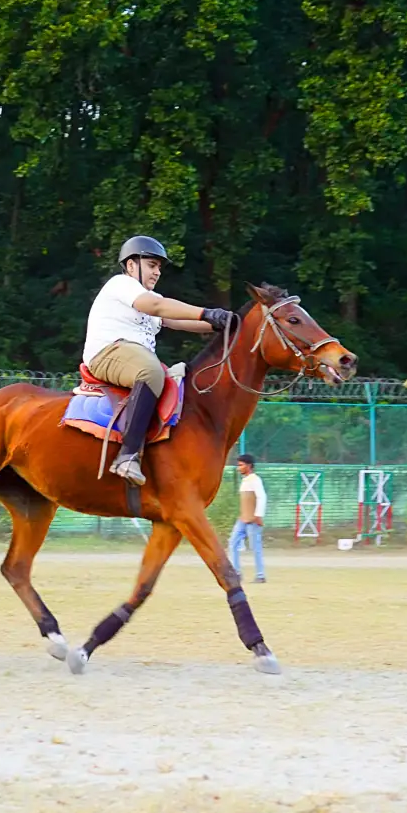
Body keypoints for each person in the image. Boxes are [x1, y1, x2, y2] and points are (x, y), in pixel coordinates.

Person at [82, 235, 236, 485]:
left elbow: (179, 321)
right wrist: (206, 312)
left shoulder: (149, 297)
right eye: (152, 265)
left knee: (172, 378)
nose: (157, 272)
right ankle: (127, 456)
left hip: (131, 356)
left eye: (159, 268)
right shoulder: (121, 284)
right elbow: (158, 306)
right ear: (131, 265)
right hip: (107, 354)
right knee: (151, 371)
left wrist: (222, 324)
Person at [228, 453, 267, 582]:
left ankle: (260, 575)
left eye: (241, 465)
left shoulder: (255, 479)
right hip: (243, 519)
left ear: (249, 466)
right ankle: (236, 573)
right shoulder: (245, 480)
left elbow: (262, 497)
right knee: (233, 543)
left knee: (255, 547)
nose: (239, 468)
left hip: (253, 520)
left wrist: (258, 515)